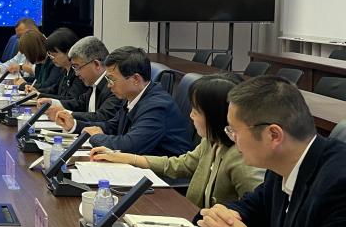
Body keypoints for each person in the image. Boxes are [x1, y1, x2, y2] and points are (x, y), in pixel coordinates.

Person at [198, 77, 346, 227]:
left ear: (273, 135)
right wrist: (222, 216)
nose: (232, 139)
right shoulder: (282, 164)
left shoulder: (339, 181)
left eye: (234, 130)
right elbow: (254, 207)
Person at [90, 74, 263, 208]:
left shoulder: (241, 159)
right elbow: (181, 164)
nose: (190, 115)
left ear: (214, 117)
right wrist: (127, 158)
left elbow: (259, 212)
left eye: (196, 111)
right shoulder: (211, 141)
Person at [63, 46, 192, 156]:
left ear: (135, 79)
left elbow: (130, 146)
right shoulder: (133, 95)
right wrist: (75, 125)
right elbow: (112, 126)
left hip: (163, 175)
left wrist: (96, 137)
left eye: (112, 79)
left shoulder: (157, 106)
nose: (109, 85)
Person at [49, 36, 122, 125]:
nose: (76, 74)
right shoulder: (94, 85)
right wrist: (51, 102)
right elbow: (79, 103)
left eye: (77, 67)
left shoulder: (113, 87)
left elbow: (103, 117)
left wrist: (67, 114)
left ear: (96, 64)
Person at [34, 28, 86, 104]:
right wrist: (36, 92)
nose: (52, 58)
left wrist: (40, 95)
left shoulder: (79, 73)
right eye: (50, 55)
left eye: (54, 55)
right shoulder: (65, 70)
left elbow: (71, 99)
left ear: (68, 52)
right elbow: (54, 89)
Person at [14, 30, 63, 95]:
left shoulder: (55, 62)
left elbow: (48, 85)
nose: (26, 57)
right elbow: (37, 80)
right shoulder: (40, 64)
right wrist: (22, 79)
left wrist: (23, 84)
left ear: (32, 52)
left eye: (26, 54)